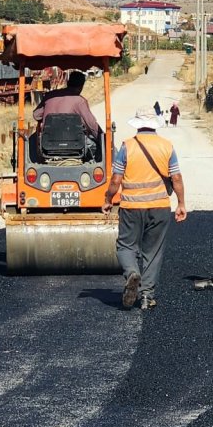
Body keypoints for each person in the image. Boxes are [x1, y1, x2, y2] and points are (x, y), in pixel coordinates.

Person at [103, 107, 187, 310]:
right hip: (159, 207)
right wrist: (181, 203)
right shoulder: (167, 146)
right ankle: (147, 296)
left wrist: (108, 198)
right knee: (153, 251)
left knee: (125, 246)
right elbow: (175, 177)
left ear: (137, 124)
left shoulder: (127, 146)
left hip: (131, 206)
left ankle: (132, 272)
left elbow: (116, 179)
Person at [33, 70, 102, 138]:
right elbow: (92, 125)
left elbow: (36, 115)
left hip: (48, 143)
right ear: (81, 86)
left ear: (68, 83)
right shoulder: (80, 101)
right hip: (73, 143)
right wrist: (103, 138)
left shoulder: (50, 95)